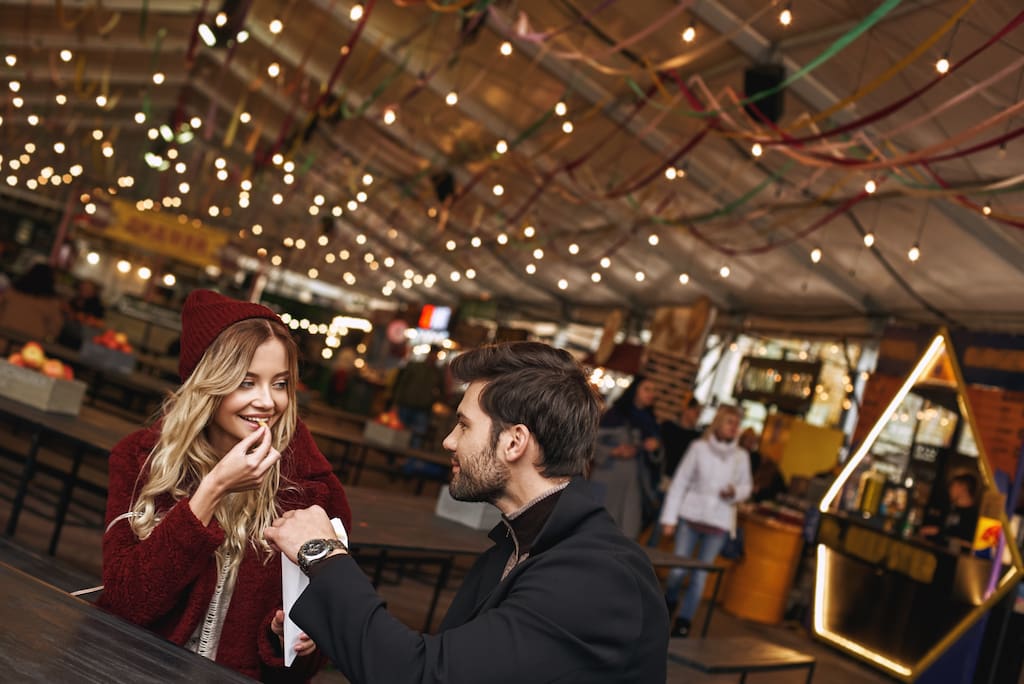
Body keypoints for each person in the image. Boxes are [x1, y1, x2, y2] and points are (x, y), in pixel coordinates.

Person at [264, 341, 669, 683]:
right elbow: (441, 661)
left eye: (463, 426)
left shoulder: (597, 577)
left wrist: (324, 554)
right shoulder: (521, 542)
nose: (448, 441)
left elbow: (420, 676)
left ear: (514, 442)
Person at [99, 289, 352, 682]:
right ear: (209, 382)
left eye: (281, 383)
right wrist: (212, 489)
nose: (268, 401)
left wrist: (293, 639)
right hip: (127, 670)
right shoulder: (141, 460)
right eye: (247, 382)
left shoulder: (313, 492)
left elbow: (314, 656)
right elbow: (127, 601)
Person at [660, 404, 752, 638]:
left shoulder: (741, 457)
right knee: (678, 571)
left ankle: (684, 621)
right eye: (730, 423)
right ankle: (668, 603)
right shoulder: (698, 448)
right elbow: (680, 482)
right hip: (691, 516)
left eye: (737, 424)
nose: (735, 428)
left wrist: (735, 492)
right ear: (719, 423)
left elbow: (746, 487)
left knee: (700, 576)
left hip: (719, 521)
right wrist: (669, 518)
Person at [591, 376, 663, 540]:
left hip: (635, 483)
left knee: (626, 530)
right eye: (647, 389)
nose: (651, 394)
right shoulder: (615, 415)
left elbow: (656, 457)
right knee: (598, 526)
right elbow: (591, 442)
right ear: (635, 391)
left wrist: (653, 448)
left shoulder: (651, 421)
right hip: (608, 479)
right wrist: (613, 451)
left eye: (654, 391)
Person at [391, 344, 446, 448]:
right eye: (433, 353)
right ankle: (393, 459)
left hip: (423, 409)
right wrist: (396, 402)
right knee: (398, 434)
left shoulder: (438, 372)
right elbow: (402, 384)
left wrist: (432, 401)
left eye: (436, 354)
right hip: (406, 404)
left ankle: (410, 462)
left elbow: (442, 391)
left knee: (417, 436)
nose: (434, 356)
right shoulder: (414, 366)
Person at [0, 262, 64, 342]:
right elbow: (55, 327)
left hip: (4, 336)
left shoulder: (12, 292)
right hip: (30, 346)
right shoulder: (50, 302)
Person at [920, 472, 980, 551]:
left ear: (963, 488)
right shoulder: (950, 508)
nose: (949, 490)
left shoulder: (974, 515)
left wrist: (938, 533)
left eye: (953, 486)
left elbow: (969, 543)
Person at [660, 397, 703, 480]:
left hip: (682, 479)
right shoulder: (668, 427)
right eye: (696, 411)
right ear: (686, 409)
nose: (698, 415)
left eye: (699, 413)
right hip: (663, 477)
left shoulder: (698, 437)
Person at [741, 427, 787, 503]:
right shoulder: (738, 455)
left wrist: (756, 488)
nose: (750, 443)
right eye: (748, 440)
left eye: (753, 440)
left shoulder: (756, 458)